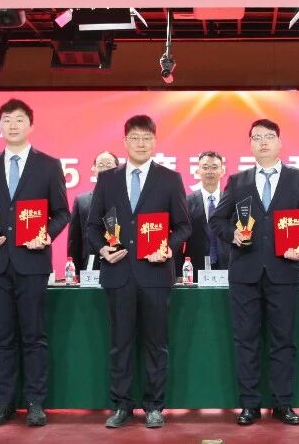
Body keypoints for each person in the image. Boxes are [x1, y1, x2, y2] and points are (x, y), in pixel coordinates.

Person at [0, 98, 70, 428]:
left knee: (34, 335)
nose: (13, 125)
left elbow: (62, 212)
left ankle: (36, 402)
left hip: (32, 262)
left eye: (19, 119)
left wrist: (46, 234)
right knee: (2, 336)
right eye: (7, 119)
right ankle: (3, 402)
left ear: (30, 125)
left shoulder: (49, 165)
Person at [86, 115, 192, 429]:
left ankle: (154, 406)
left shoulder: (170, 179)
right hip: (118, 272)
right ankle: (121, 405)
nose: (141, 144)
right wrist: (102, 249)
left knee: (156, 344)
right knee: (120, 343)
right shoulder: (108, 180)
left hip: (155, 274)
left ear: (155, 141)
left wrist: (168, 247)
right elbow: (92, 226)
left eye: (147, 138)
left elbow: (184, 226)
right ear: (125, 142)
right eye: (135, 138)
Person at [211, 119, 299, 426]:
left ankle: (283, 403)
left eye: (269, 136)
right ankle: (249, 405)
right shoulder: (237, 181)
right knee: (245, 340)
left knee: (283, 340)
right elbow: (217, 220)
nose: (263, 142)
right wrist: (233, 234)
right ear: (250, 145)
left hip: (284, 270)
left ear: (279, 142)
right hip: (245, 272)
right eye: (256, 137)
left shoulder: (298, 179)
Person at [69, 151, 118, 270]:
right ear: (94, 169)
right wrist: (75, 271)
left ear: (118, 169)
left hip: (121, 261)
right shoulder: (81, 201)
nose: (104, 169)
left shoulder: (129, 200)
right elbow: (74, 240)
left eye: (109, 165)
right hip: (90, 264)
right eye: (100, 165)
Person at [184, 151, 227, 275]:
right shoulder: (186, 201)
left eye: (214, 167)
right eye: (205, 167)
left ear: (222, 171)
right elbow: (180, 235)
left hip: (226, 265)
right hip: (195, 265)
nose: (210, 171)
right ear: (198, 171)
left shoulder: (230, 200)